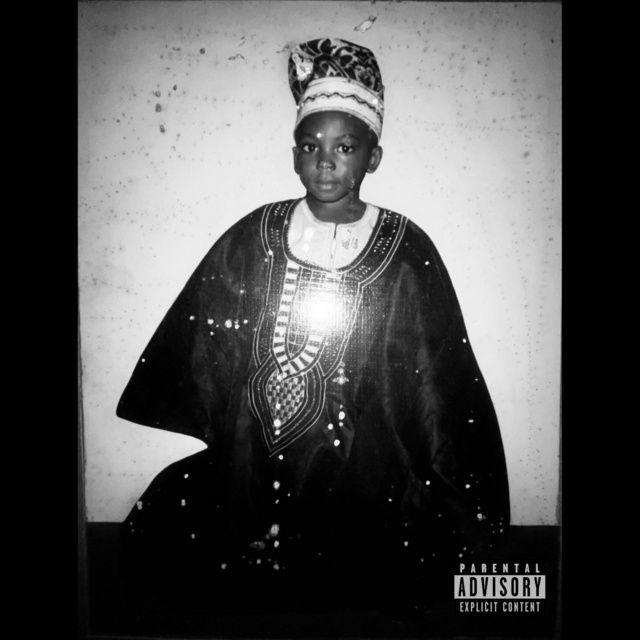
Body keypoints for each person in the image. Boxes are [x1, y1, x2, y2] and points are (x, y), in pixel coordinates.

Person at [116, 37, 510, 619]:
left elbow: (437, 376)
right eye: (310, 146)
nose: (325, 161)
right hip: (255, 459)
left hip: (366, 462)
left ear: (373, 157)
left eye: (344, 146)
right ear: (294, 155)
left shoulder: (405, 249)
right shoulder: (256, 233)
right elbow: (210, 332)